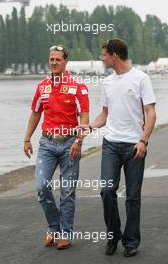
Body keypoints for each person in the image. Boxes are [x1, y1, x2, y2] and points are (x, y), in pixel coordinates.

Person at [78, 38, 156, 257]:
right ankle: (113, 235)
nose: (102, 59)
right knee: (106, 190)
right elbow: (105, 114)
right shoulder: (107, 83)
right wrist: (89, 127)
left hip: (134, 146)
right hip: (111, 144)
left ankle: (131, 242)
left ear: (114, 55)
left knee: (132, 196)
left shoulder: (141, 78)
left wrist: (143, 140)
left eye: (104, 55)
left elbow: (151, 112)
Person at [24, 44, 89, 249]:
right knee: (42, 187)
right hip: (46, 144)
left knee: (67, 192)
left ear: (65, 62)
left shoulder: (78, 87)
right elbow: (36, 113)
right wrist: (27, 139)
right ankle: (54, 227)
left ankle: (65, 233)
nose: (53, 63)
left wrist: (79, 141)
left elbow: (84, 117)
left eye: (57, 59)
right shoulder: (42, 86)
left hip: (70, 143)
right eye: (51, 59)